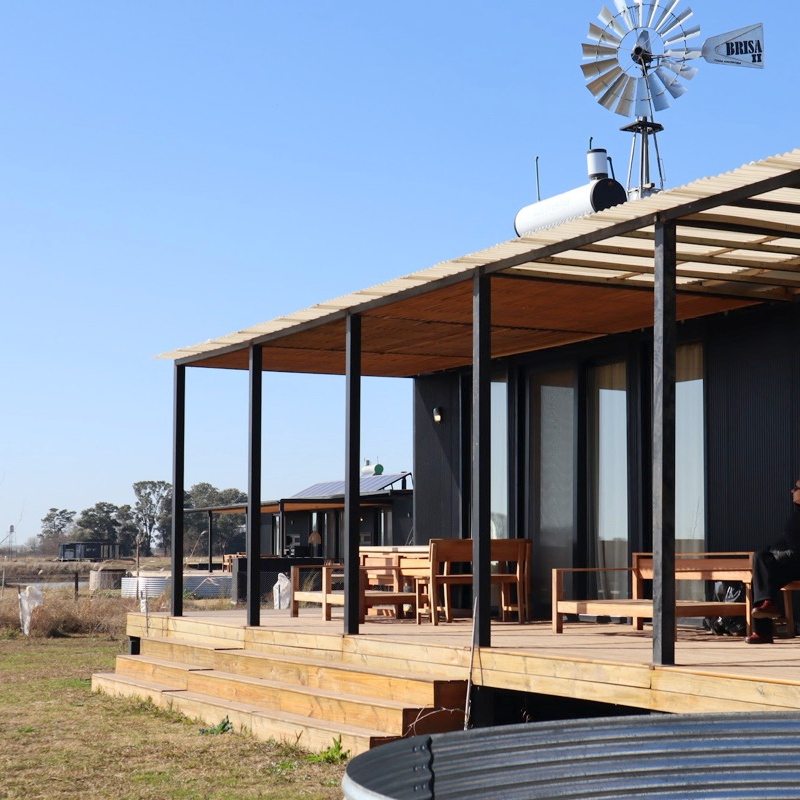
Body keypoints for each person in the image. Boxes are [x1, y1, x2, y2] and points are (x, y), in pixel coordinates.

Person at [745, 480, 800, 644]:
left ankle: (764, 625)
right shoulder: (797, 513)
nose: (792, 491)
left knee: (762, 563)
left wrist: (773, 554)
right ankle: (766, 607)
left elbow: (796, 549)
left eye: (796, 488)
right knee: (761, 565)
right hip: (793, 563)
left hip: (797, 561)